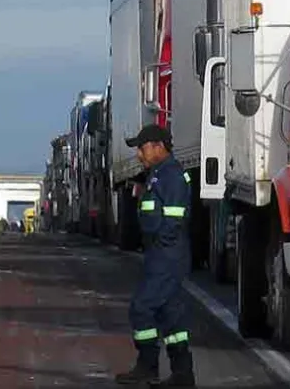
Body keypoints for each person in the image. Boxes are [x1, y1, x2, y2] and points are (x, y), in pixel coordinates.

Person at [115, 124, 196, 387]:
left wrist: (162, 245)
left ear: (158, 146)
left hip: (166, 256)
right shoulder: (158, 174)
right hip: (160, 254)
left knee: (142, 308)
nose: (139, 154)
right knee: (170, 316)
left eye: (142, 147)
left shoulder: (171, 176)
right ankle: (183, 375)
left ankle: (147, 366)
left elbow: (174, 219)